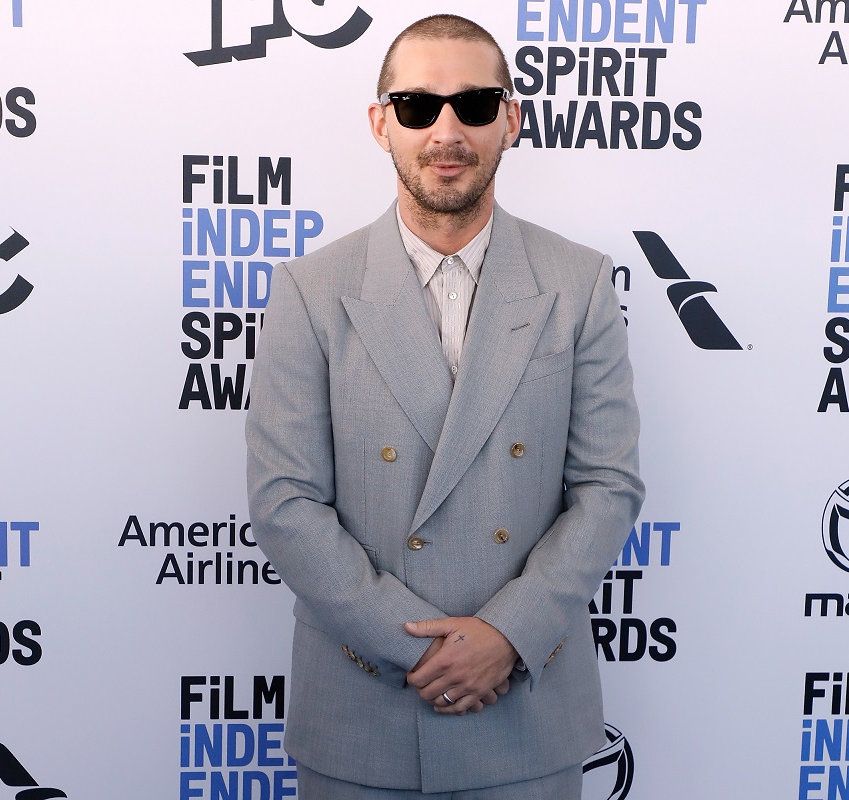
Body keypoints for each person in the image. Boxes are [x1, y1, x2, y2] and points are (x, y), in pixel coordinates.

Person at [245, 14, 644, 799]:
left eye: (475, 104)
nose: (447, 131)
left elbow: (608, 488)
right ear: (381, 123)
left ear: (512, 119)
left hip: (527, 701)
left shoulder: (581, 283)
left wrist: (506, 634)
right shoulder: (310, 291)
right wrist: (421, 648)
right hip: (363, 706)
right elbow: (285, 501)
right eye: (420, 107)